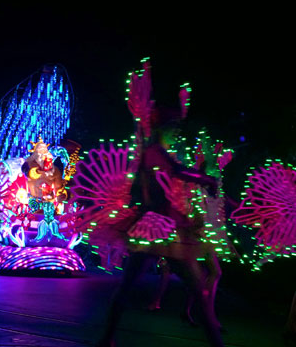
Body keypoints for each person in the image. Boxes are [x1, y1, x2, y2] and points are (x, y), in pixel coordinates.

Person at [96, 105, 224, 347]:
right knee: (131, 288)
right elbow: (176, 172)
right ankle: (106, 339)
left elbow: (176, 176)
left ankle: (106, 339)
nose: (177, 132)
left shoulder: (161, 153)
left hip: (165, 228)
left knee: (196, 290)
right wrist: (206, 179)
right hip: (155, 229)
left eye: (177, 127)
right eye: (173, 126)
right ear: (162, 128)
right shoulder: (154, 151)